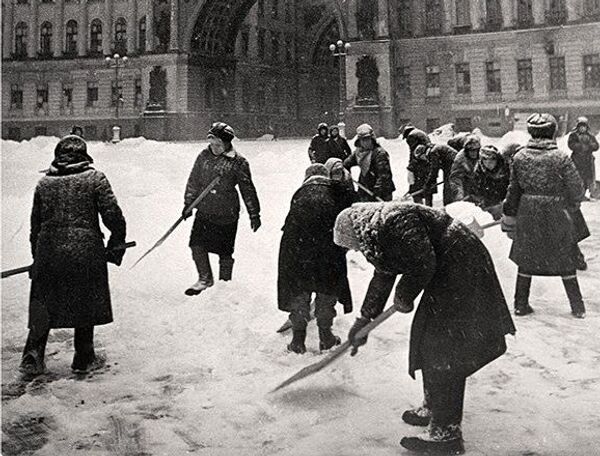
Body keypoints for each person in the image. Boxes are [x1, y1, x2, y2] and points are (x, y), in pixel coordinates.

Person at [334, 202, 515, 455]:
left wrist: (404, 295)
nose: (355, 250)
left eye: (353, 245)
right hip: (445, 273)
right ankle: (435, 405)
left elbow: (422, 262)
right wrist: (364, 319)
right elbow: (384, 274)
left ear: (359, 231)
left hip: (462, 269)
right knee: (427, 338)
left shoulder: (395, 221)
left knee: (445, 348)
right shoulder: (380, 230)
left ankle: (446, 434)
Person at [20, 135, 127, 376]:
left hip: (49, 251)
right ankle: (84, 356)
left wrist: (37, 258)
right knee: (84, 302)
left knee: (43, 304)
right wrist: (116, 243)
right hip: (85, 251)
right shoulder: (95, 178)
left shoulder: (44, 183)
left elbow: (35, 226)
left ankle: (32, 356)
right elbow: (113, 216)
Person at [502, 113, 587, 318]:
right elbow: (577, 190)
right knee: (565, 257)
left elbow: (513, 190)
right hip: (556, 212)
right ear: (552, 132)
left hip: (528, 212)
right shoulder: (560, 158)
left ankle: (520, 304)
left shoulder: (520, 157)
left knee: (527, 257)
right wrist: (570, 206)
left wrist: (509, 214)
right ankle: (577, 307)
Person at [278, 165, 353, 353]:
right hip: (327, 248)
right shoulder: (335, 192)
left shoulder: (300, 194)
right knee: (327, 290)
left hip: (296, 249)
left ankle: (297, 340)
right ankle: (326, 336)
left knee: (299, 291)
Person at [183, 122, 261, 296]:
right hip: (204, 210)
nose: (214, 148)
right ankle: (204, 278)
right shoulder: (203, 156)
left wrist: (254, 213)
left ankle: (224, 285)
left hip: (227, 213)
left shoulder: (238, 162)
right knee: (196, 244)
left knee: (225, 251)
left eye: (218, 144)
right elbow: (193, 181)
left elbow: (247, 189)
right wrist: (188, 204)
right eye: (212, 143)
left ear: (227, 144)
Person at [343, 123, 396, 202]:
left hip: (381, 193)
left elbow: (383, 175)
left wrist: (377, 190)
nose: (365, 142)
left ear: (372, 139)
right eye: (363, 140)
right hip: (365, 190)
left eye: (367, 139)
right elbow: (346, 164)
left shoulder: (379, 153)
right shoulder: (358, 153)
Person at [472, 145, 510, 220]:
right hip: (488, 202)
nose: (489, 162)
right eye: (485, 159)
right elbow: (475, 190)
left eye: (492, 159)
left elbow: (512, 188)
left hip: (504, 202)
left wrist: (503, 204)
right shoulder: (478, 170)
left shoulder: (506, 168)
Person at [568, 116, 599, 199]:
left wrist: (589, 146)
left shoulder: (590, 136)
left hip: (588, 160)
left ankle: (586, 193)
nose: (582, 128)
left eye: (584, 126)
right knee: (577, 177)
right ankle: (578, 194)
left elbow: (596, 146)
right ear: (578, 127)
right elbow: (571, 145)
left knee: (588, 178)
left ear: (586, 127)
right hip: (577, 160)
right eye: (580, 126)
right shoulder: (573, 135)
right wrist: (581, 147)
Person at [448, 134, 481, 202]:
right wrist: (459, 195)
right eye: (471, 150)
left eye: (475, 150)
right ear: (467, 150)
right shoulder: (460, 159)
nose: (473, 153)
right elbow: (456, 178)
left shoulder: (483, 155)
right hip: (466, 184)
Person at [405, 129, 434, 206]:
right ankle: (429, 209)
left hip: (419, 170)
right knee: (428, 192)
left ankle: (419, 209)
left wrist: (411, 165)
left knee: (417, 193)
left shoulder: (411, 136)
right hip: (427, 167)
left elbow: (413, 154)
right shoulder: (421, 134)